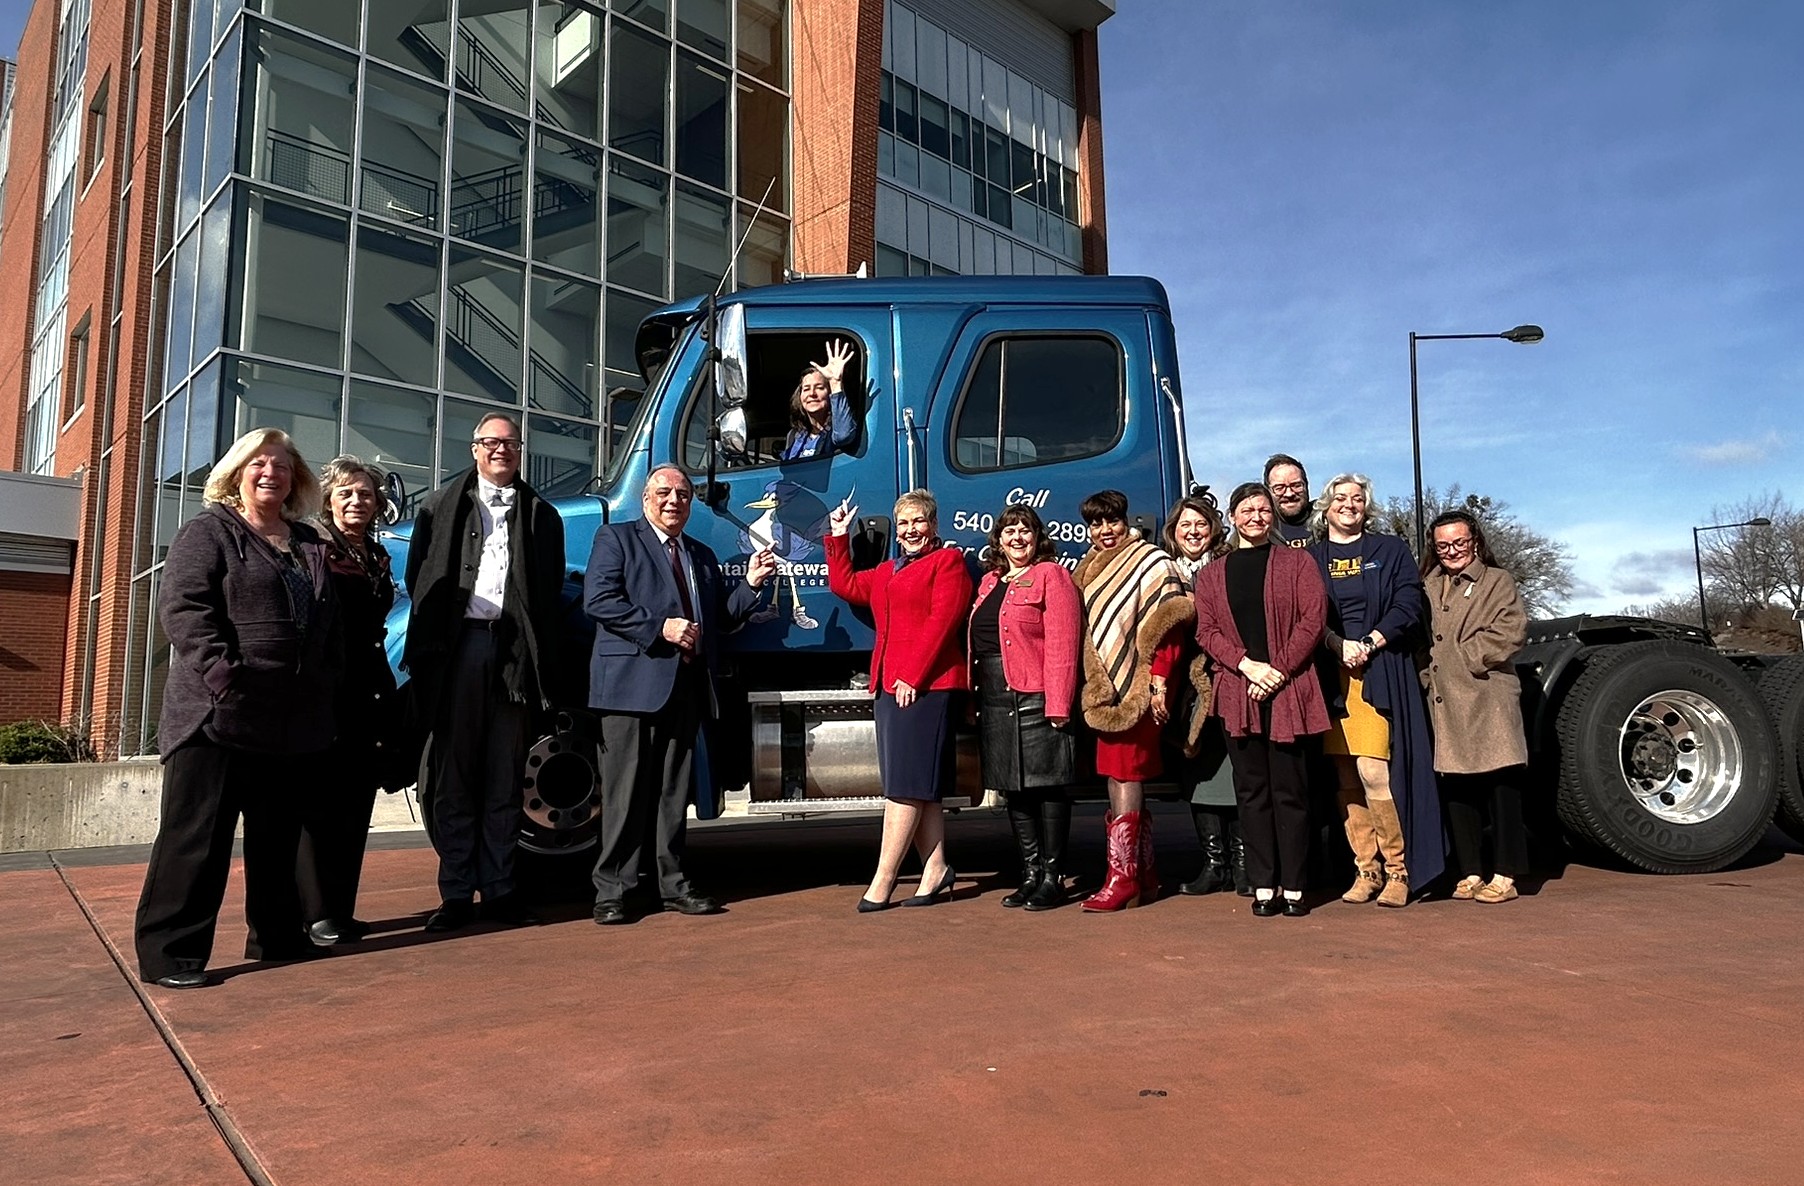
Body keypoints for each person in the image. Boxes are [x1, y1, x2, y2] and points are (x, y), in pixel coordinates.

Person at [134, 428, 341, 989]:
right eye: (259, 463)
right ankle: (170, 955)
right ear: (236, 473)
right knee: (197, 838)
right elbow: (184, 608)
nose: (270, 472)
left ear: (296, 479)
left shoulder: (308, 543)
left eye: (281, 465)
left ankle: (277, 938)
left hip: (290, 720)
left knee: (277, 839)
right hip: (216, 715)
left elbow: (326, 626)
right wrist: (224, 675)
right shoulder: (210, 533)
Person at [585, 465, 777, 924]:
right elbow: (599, 600)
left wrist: (750, 584)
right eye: (664, 492)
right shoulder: (616, 539)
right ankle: (613, 890)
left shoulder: (701, 555)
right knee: (624, 793)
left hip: (687, 686)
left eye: (684, 494)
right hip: (630, 687)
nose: (674, 501)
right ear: (646, 497)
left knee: (673, 793)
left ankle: (672, 884)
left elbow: (718, 621)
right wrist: (660, 627)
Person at [403, 413, 566, 933]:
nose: (502, 450)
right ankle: (455, 894)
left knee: (503, 777)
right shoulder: (437, 508)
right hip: (460, 650)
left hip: (515, 654)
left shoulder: (543, 515)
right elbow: (418, 579)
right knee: (454, 778)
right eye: (492, 443)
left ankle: (499, 890)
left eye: (511, 443)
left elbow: (549, 590)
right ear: (474, 449)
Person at [825, 488, 973, 911]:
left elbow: (943, 622)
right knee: (917, 785)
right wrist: (838, 536)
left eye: (918, 521)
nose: (910, 529)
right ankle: (936, 867)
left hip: (925, 686)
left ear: (933, 526)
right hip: (890, 685)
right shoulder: (889, 570)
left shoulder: (948, 563)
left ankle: (884, 878)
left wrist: (913, 675)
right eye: (903, 522)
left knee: (906, 786)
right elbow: (846, 585)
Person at [1307, 473, 1443, 908]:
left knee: (1373, 770)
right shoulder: (1311, 558)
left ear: (1367, 506)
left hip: (1379, 672)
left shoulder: (1390, 549)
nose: (1349, 504)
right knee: (1345, 775)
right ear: (1326, 506)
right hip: (1331, 678)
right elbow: (1304, 613)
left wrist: (1369, 642)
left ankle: (1400, 870)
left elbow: (1409, 603)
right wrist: (1335, 644)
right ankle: (1367, 870)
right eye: (1341, 498)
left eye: (1358, 498)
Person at [1193, 482, 1328, 916]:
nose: (1255, 516)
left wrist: (1277, 670)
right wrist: (1248, 666)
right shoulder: (1212, 573)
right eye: (1246, 509)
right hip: (1239, 689)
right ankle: (1262, 883)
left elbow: (1312, 620)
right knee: (1251, 791)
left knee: (1292, 791)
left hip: (1289, 689)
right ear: (1232, 517)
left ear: (1272, 516)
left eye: (1263, 509)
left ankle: (1295, 885)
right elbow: (1207, 630)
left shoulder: (1298, 562)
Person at [1073, 490, 1194, 912]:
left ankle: (1122, 880)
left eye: (1113, 521)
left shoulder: (1153, 562)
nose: (1105, 531)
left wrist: (1159, 682)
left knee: (1126, 774)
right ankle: (1143, 875)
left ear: (1127, 521)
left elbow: (1171, 627)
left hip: (1141, 690)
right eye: (1096, 524)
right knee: (1115, 773)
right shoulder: (1086, 567)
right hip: (1107, 689)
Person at [297, 456, 399, 946]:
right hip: (325, 689)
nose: (357, 501)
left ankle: (341, 907)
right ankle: (315, 913)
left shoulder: (377, 554)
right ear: (329, 499)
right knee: (320, 802)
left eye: (365, 494)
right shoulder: (311, 547)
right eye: (346, 493)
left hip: (368, 688)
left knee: (356, 802)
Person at [969, 505, 1083, 911]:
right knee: (1013, 789)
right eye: (1009, 531)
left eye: (1025, 531)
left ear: (1037, 538)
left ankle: (1054, 878)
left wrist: (1059, 701)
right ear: (998, 539)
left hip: (1036, 694)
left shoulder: (1053, 576)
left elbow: (1064, 643)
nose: (1017, 538)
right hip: (996, 697)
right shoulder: (988, 583)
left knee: (1048, 785)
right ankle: (1030, 873)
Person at [1420, 511, 1531, 904]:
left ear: (1476, 543)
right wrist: (1428, 674)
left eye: (1459, 543)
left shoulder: (1497, 581)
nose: (1451, 551)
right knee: (1458, 789)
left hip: (1489, 696)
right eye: (1443, 545)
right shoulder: (1427, 585)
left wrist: (1465, 658)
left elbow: (1511, 630)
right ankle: (1469, 872)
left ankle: (1505, 874)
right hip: (1446, 702)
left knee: (1501, 787)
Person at [1160, 492, 1243, 897]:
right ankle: (1215, 863)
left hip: (1230, 678)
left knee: (1238, 770)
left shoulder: (1229, 567)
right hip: (1185, 687)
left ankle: (1244, 862)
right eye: (1184, 526)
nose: (1193, 532)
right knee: (1201, 773)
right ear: (1173, 533)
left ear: (1213, 530)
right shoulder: (1163, 572)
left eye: (1201, 524)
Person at [778, 339, 859, 461]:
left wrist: (835, 382)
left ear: (830, 394)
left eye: (820, 388)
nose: (812, 394)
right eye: (806, 389)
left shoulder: (837, 430)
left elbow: (843, 436)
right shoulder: (795, 435)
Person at [1264, 454, 1313, 547]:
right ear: (1268, 491)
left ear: (1306, 486)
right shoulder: (1260, 529)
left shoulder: (1328, 522)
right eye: (1279, 488)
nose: (1289, 494)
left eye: (1296, 485)